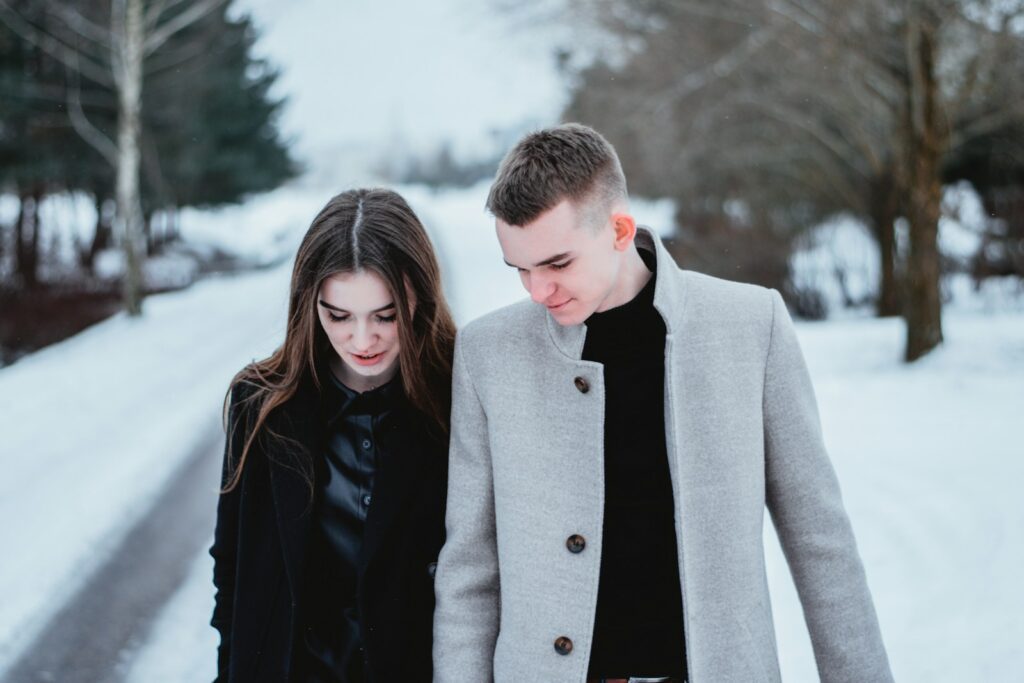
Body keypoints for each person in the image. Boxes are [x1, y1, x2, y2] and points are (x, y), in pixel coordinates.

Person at [432, 124, 893, 683]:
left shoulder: (751, 325)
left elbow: (822, 543)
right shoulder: (488, 352)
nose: (537, 291)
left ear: (620, 228)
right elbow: (469, 574)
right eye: (520, 269)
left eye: (557, 264)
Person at [210, 188, 455, 682]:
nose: (362, 341)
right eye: (338, 316)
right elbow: (233, 570)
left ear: (418, 295)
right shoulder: (259, 403)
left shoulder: (461, 395)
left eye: (385, 315)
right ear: (309, 304)